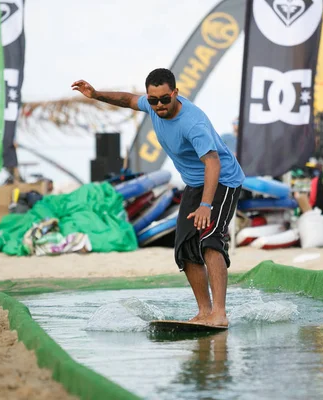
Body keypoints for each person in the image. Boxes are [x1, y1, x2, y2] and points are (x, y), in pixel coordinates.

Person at [72, 68, 245, 327]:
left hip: (223, 181)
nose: (160, 105)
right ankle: (204, 311)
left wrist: (206, 206)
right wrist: (96, 94)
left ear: (175, 93)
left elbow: (213, 163)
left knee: (210, 240)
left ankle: (219, 313)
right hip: (194, 184)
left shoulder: (193, 123)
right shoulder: (152, 105)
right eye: (153, 100)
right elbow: (128, 100)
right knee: (185, 249)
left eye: (165, 99)